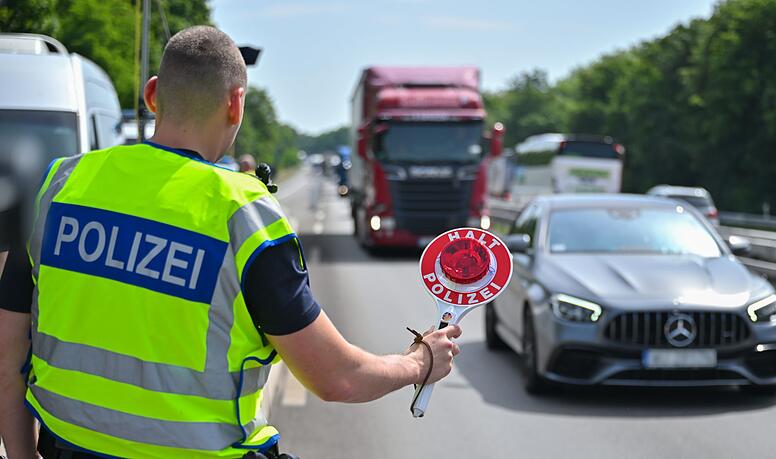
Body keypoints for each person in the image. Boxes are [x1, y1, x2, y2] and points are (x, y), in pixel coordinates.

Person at [0, 26, 461, 459]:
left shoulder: (59, 186)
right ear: (235, 105)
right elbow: (338, 379)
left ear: (153, 95)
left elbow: (6, 354)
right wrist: (420, 362)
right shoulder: (245, 215)